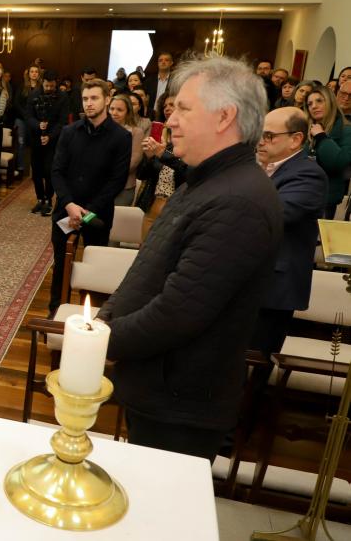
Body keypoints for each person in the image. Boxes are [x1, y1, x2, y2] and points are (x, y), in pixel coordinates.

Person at [97, 56, 282, 462]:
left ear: (224, 117)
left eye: (183, 108)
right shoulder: (205, 179)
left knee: (162, 517)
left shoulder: (238, 201)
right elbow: (148, 269)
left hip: (181, 401)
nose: (171, 120)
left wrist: (101, 340)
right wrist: (105, 319)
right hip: (159, 387)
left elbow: (179, 310)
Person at [251, 107, 327, 360]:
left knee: (252, 367)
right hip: (244, 280)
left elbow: (273, 216)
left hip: (272, 287)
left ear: (296, 139)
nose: (261, 141)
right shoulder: (257, 168)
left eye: (270, 136)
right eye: (259, 134)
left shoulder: (308, 174)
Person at [49, 79, 131, 311]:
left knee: (95, 270)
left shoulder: (120, 137)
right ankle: (56, 313)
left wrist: (85, 213)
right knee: (61, 268)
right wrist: (69, 205)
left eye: (94, 98)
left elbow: (117, 181)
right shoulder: (69, 132)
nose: (89, 103)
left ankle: (92, 318)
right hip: (66, 211)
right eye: (85, 99)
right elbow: (57, 172)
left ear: (107, 99)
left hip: (97, 215)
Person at [137, 94, 187, 239]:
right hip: (153, 204)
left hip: (177, 209)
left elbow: (188, 173)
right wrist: (148, 156)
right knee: (144, 251)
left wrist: (162, 154)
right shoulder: (158, 139)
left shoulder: (190, 141)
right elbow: (141, 175)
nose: (167, 109)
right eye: (165, 106)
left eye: (172, 105)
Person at [303, 84, 351, 219]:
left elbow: (339, 163)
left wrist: (321, 137)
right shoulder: (307, 129)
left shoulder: (346, 130)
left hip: (325, 199)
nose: (313, 106)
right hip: (302, 192)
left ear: (330, 101)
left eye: (319, 101)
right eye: (310, 104)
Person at [26, 71, 69, 216]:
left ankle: (49, 200)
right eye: (46, 85)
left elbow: (62, 121)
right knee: (36, 171)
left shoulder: (62, 97)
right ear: (42, 83)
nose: (49, 88)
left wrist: (50, 136)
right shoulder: (34, 94)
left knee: (49, 170)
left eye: (51, 86)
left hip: (54, 139)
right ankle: (40, 199)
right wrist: (38, 125)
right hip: (36, 137)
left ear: (55, 83)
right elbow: (28, 116)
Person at [107, 94, 145, 206]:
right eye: (112, 108)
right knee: (94, 221)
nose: (114, 113)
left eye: (119, 110)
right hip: (100, 186)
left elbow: (133, 162)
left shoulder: (136, 132)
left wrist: (105, 172)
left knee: (117, 222)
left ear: (128, 112)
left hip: (124, 187)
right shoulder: (102, 130)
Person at [13, 63, 41, 179]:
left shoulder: (42, 87)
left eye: (36, 72)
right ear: (28, 74)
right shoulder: (22, 86)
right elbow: (16, 103)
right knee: (21, 143)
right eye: (32, 71)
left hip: (36, 120)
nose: (34, 73)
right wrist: (26, 115)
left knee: (36, 144)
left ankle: (35, 170)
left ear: (39, 74)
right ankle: (20, 168)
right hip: (22, 119)